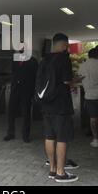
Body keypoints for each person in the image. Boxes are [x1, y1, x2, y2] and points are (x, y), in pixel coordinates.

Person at [36, 33, 79, 183]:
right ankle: (61, 173)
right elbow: (67, 80)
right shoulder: (63, 58)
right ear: (65, 45)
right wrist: (75, 81)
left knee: (49, 136)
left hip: (46, 105)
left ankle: (52, 169)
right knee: (62, 138)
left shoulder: (44, 60)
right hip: (61, 106)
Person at [3, 45, 38, 143]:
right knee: (11, 112)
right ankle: (10, 133)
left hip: (27, 90)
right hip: (15, 89)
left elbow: (36, 76)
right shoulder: (14, 59)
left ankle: (25, 135)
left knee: (26, 113)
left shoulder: (33, 61)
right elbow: (13, 72)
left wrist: (34, 90)